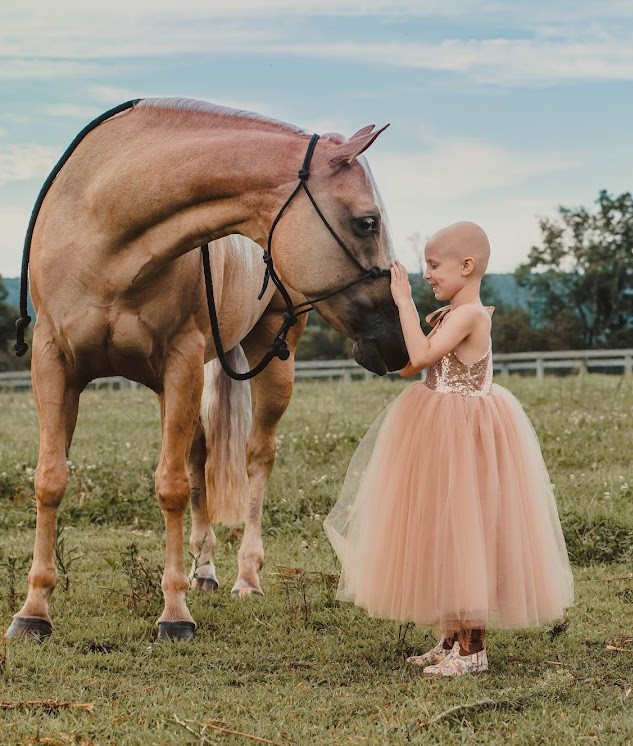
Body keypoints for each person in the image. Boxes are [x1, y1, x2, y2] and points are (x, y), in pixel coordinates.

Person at [324, 222, 573, 677]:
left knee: (466, 529)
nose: (428, 276)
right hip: (438, 424)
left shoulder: (469, 314)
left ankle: (473, 649)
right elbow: (408, 369)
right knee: (442, 528)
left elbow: (418, 357)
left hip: (465, 432)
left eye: (434, 266)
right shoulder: (447, 316)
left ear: (467, 266)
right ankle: (449, 638)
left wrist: (402, 301)